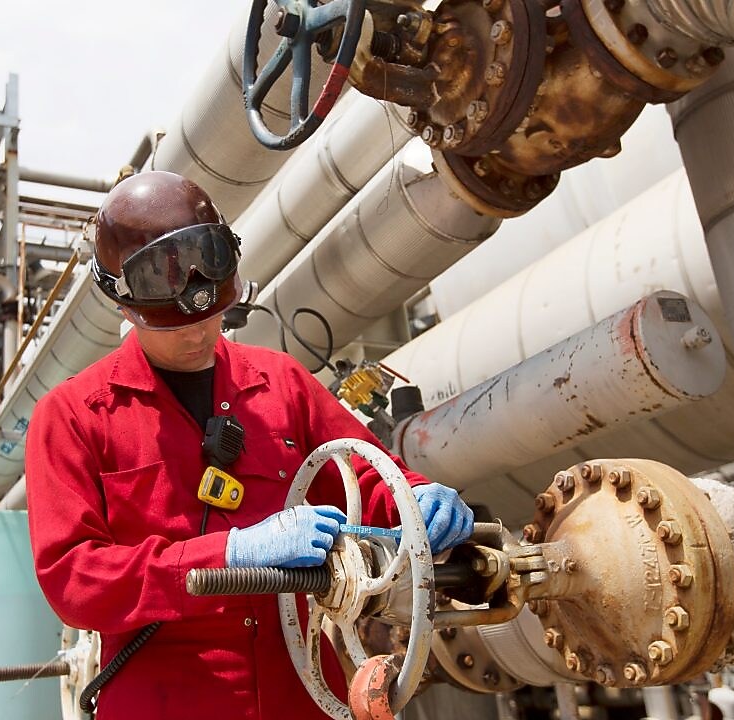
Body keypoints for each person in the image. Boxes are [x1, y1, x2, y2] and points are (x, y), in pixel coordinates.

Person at [24, 170, 474, 719]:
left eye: (211, 314)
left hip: (303, 690)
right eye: (173, 325)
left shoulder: (281, 383)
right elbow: (75, 580)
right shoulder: (74, 416)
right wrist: (229, 555)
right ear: (121, 303)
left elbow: (365, 480)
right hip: (165, 699)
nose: (198, 333)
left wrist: (417, 499)